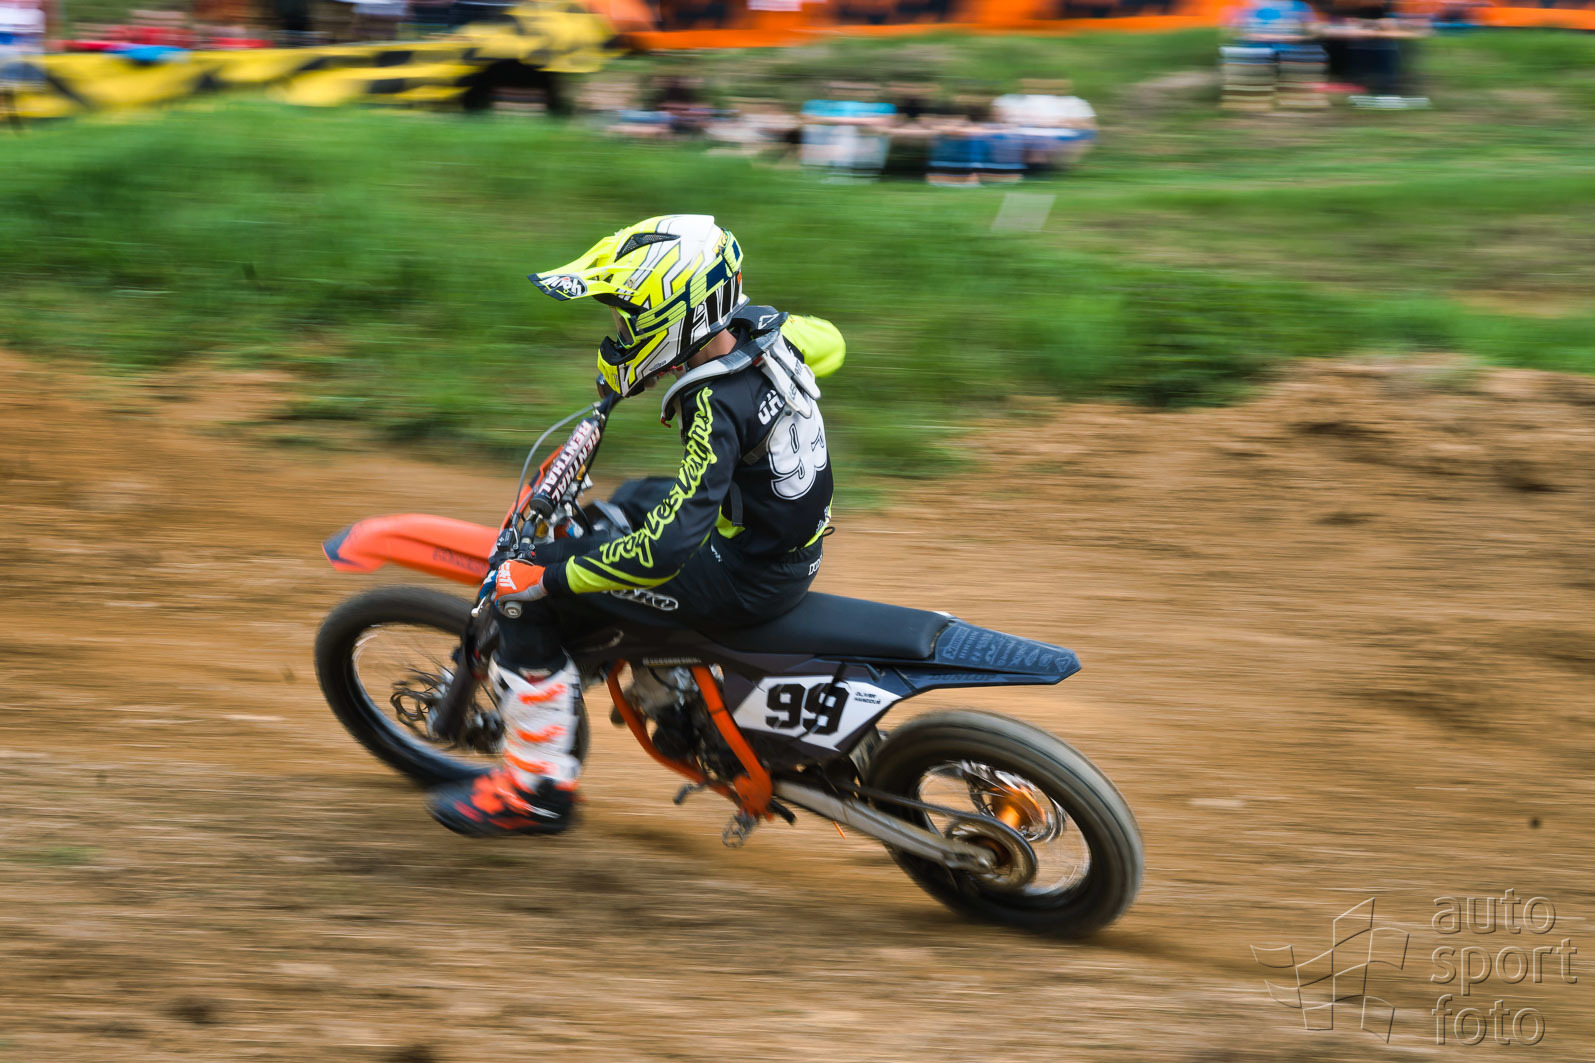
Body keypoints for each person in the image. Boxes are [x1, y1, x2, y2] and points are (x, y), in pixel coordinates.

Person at [428, 214, 845, 837]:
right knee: (631, 499)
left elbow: (667, 548)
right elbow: (832, 343)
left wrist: (550, 579)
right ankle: (630, 655)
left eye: (631, 320)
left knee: (523, 592)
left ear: (680, 316)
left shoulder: (714, 406)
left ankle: (536, 791)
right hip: (781, 539)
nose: (622, 333)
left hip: (746, 575)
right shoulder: (768, 333)